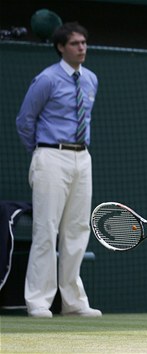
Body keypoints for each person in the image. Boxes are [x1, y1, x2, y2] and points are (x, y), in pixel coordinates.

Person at [15, 22, 101, 318]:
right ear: (61, 47)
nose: (82, 48)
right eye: (75, 43)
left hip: (82, 158)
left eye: (84, 43)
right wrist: (42, 152)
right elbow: (25, 120)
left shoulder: (90, 79)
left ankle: (74, 302)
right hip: (51, 155)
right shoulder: (47, 79)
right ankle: (38, 301)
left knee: (77, 230)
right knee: (45, 229)